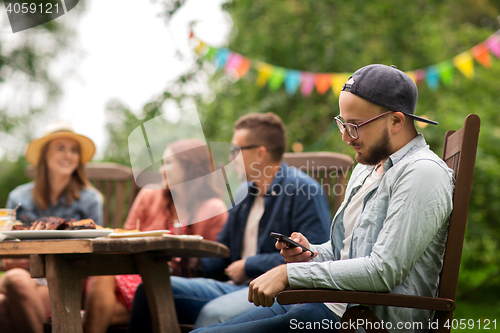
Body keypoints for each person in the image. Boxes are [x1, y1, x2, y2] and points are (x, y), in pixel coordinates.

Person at [192, 64, 455, 333]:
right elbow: (346, 252)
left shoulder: (422, 173)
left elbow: (383, 271)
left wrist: (288, 274)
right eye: (342, 123)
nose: (344, 137)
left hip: (364, 321)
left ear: (396, 121)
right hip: (329, 304)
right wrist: (312, 254)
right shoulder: (367, 169)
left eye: (354, 126)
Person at [128, 112, 332, 332]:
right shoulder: (243, 193)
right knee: (150, 289)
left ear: (260, 153)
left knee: (213, 314)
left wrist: (249, 264)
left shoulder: (304, 191)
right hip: (231, 287)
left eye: (235, 151)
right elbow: (223, 252)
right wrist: (186, 263)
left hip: (274, 290)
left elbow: (314, 255)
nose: (228, 160)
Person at [83, 139, 228, 333]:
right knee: (104, 276)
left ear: (190, 167)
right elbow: (125, 238)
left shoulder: (213, 209)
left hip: (175, 284)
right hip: (135, 272)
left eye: (168, 163)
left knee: (104, 294)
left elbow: (214, 264)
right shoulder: (149, 195)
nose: (161, 171)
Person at [0, 120, 103, 333]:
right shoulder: (18, 197)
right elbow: (6, 250)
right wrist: (10, 259)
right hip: (25, 274)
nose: (69, 155)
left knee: (7, 295)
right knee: (9, 290)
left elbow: (97, 251)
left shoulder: (89, 200)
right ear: (44, 155)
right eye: (61, 148)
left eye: (74, 150)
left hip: (66, 278)